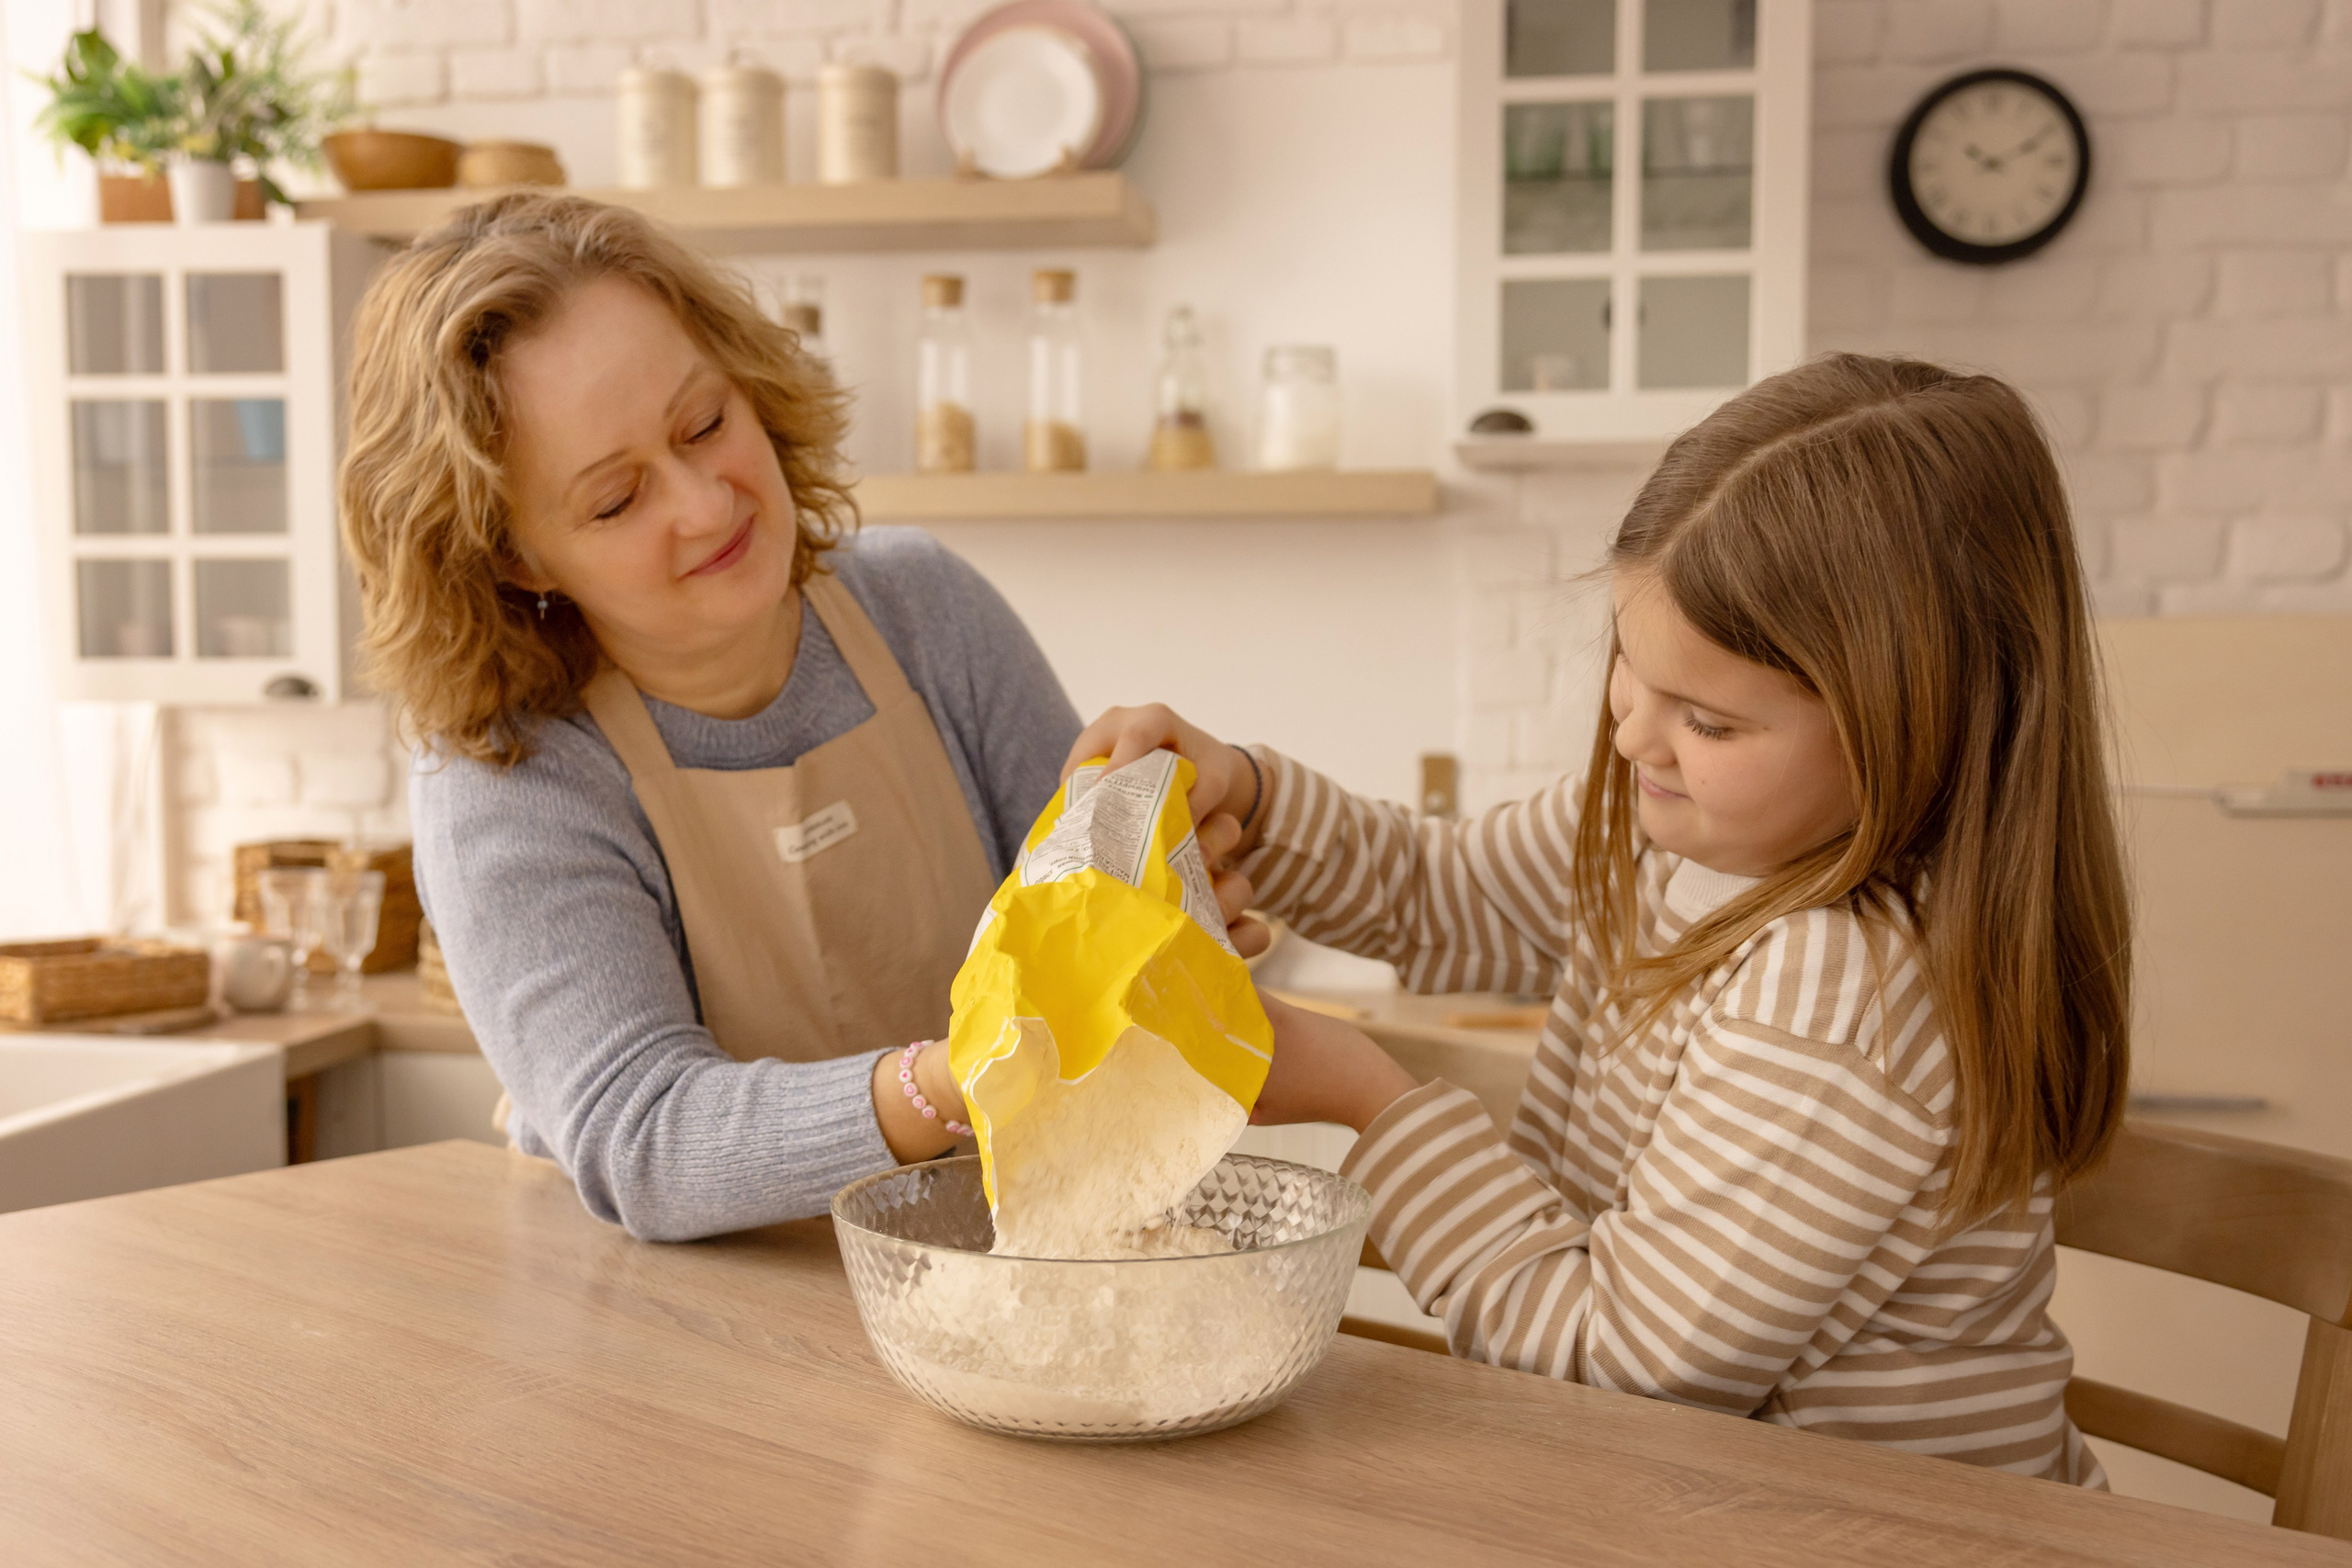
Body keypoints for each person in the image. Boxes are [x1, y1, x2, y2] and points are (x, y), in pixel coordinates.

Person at [1075, 354, 2130, 1483]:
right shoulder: (1660, 835)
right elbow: (1441, 891)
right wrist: (1246, 792)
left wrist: (1365, 1096)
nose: (1630, 737)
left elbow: (1628, 1375)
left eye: (1708, 722)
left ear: (1920, 727)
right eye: (1630, 662)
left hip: (1895, 1533)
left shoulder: (1845, 994)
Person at [341, 192, 1259, 1240]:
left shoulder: (925, 612)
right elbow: (646, 1135)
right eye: (616, 500)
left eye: (705, 424)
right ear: (515, 556)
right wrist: (958, 1077)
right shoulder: (507, 771)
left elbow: (1082, 923)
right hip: (679, 1310)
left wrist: (1160, 904)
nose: (705, 504)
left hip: (1002, 1259)